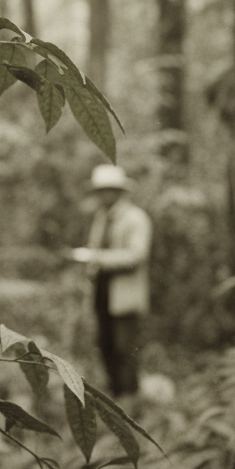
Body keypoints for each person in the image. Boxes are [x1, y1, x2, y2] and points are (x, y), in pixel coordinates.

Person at [69, 163, 152, 401]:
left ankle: (131, 402)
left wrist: (96, 257)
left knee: (124, 350)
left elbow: (136, 256)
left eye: (108, 190)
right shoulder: (101, 217)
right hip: (102, 294)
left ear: (118, 191)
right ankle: (116, 399)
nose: (103, 195)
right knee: (105, 347)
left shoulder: (136, 219)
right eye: (100, 190)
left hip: (125, 297)